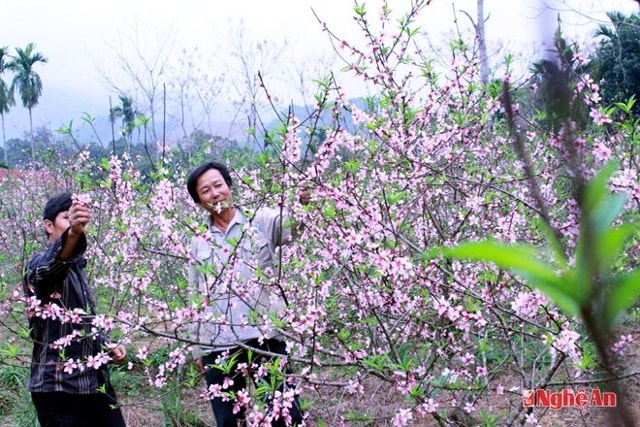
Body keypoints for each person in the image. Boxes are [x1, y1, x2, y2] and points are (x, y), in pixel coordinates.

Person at [186, 161, 307, 427]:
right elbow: (195, 295)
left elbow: (293, 226)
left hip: (264, 337)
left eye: (218, 185)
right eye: (206, 191)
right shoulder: (198, 241)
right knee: (229, 421)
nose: (215, 193)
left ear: (229, 187)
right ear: (199, 201)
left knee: (287, 417)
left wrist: (304, 203)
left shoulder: (260, 220)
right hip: (218, 345)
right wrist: (198, 348)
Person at [22, 191, 127, 427]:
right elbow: (50, 269)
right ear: (48, 225)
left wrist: (106, 343)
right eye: (66, 217)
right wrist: (73, 234)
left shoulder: (78, 270)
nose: (74, 223)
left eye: (76, 217)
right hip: (58, 387)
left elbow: (81, 323)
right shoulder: (39, 264)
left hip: (94, 381)